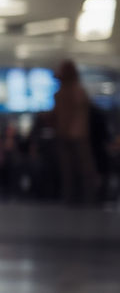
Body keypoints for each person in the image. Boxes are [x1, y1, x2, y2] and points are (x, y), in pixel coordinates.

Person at [53, 60, 99, 206]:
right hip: (70, 134)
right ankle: (75, 198)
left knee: (82, 169)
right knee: (70, 169)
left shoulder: (76, 91)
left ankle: (86, 198)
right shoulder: (66, 91)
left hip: (76, 134)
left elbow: (77, 114)